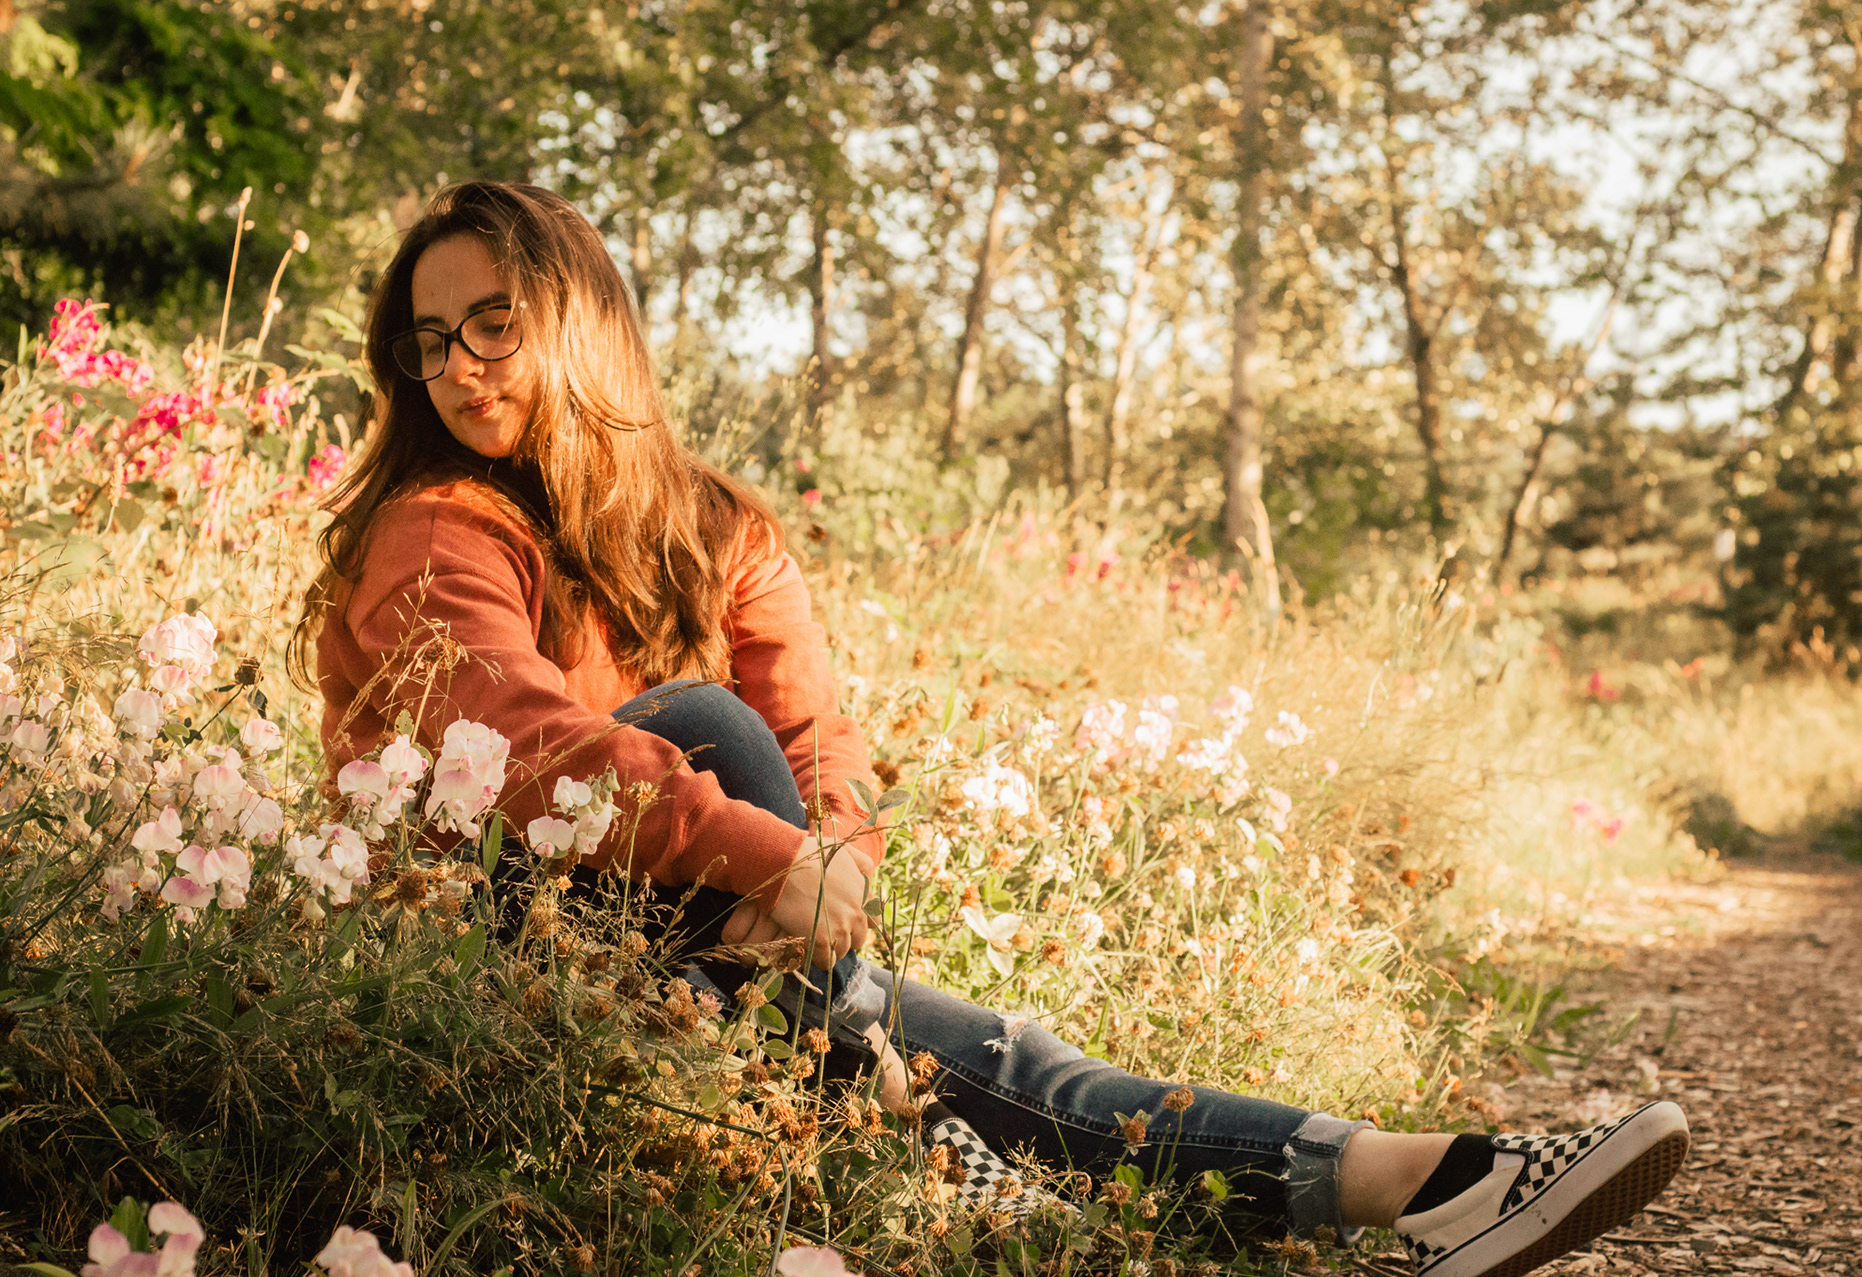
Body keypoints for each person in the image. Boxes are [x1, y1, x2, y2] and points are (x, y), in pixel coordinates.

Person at [300, 181, 1689, 1277]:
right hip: (491, 956)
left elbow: (820, 740)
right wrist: (768, 856)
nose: (458, 366)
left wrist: (830, 861)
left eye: (493, 323)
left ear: (580, 321)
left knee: (941, 1028)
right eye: (430, 340)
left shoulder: (715, 528)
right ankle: (1377, 1177)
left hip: (708, 970)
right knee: (712, 736)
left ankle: (1403, 1180)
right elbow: (519, 744)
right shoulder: (433, 529)